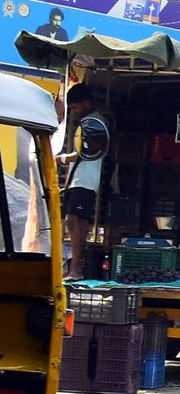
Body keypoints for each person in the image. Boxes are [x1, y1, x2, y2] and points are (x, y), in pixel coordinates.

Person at [56, 84, 108, 281]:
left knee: (74, 220)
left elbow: (85, 152)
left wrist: (59, 159)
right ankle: (74, 268)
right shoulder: (89, 121)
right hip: (78, 179)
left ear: (85, 103)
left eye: (76, 107)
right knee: (75, 221)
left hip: (85, 180)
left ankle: (76, 269)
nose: (75, 111)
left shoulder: (95, 123)